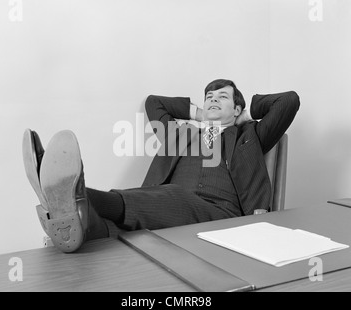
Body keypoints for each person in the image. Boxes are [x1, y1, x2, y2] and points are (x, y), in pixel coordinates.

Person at [22, 79, 300, 253]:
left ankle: (71, 194)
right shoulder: (181, 134)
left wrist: (245, 115)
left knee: (173, 194)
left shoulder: (249, 136)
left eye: (222, 97)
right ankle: (71, 214)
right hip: (169, 216)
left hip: (221, 217)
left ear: (237, 110)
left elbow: (288, 101)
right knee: (109, 233)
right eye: (209, 97)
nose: (214, 99)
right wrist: (202, 115)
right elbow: (154, 103)